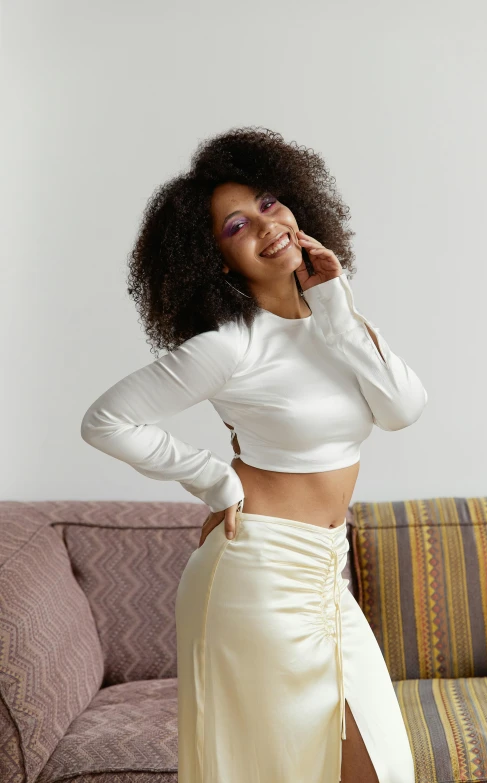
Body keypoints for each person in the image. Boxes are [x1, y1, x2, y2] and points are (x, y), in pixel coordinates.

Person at [81, 126, 427, 783]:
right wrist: (214, 478)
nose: (266, 225)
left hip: (328, 573)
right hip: (258, 576)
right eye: (236, 225)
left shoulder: (339, 324)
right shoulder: (230, 346)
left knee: (383, 767)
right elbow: (107, 419)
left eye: (269, 203)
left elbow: (402, 408)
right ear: (217, 260)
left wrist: (338, 307)